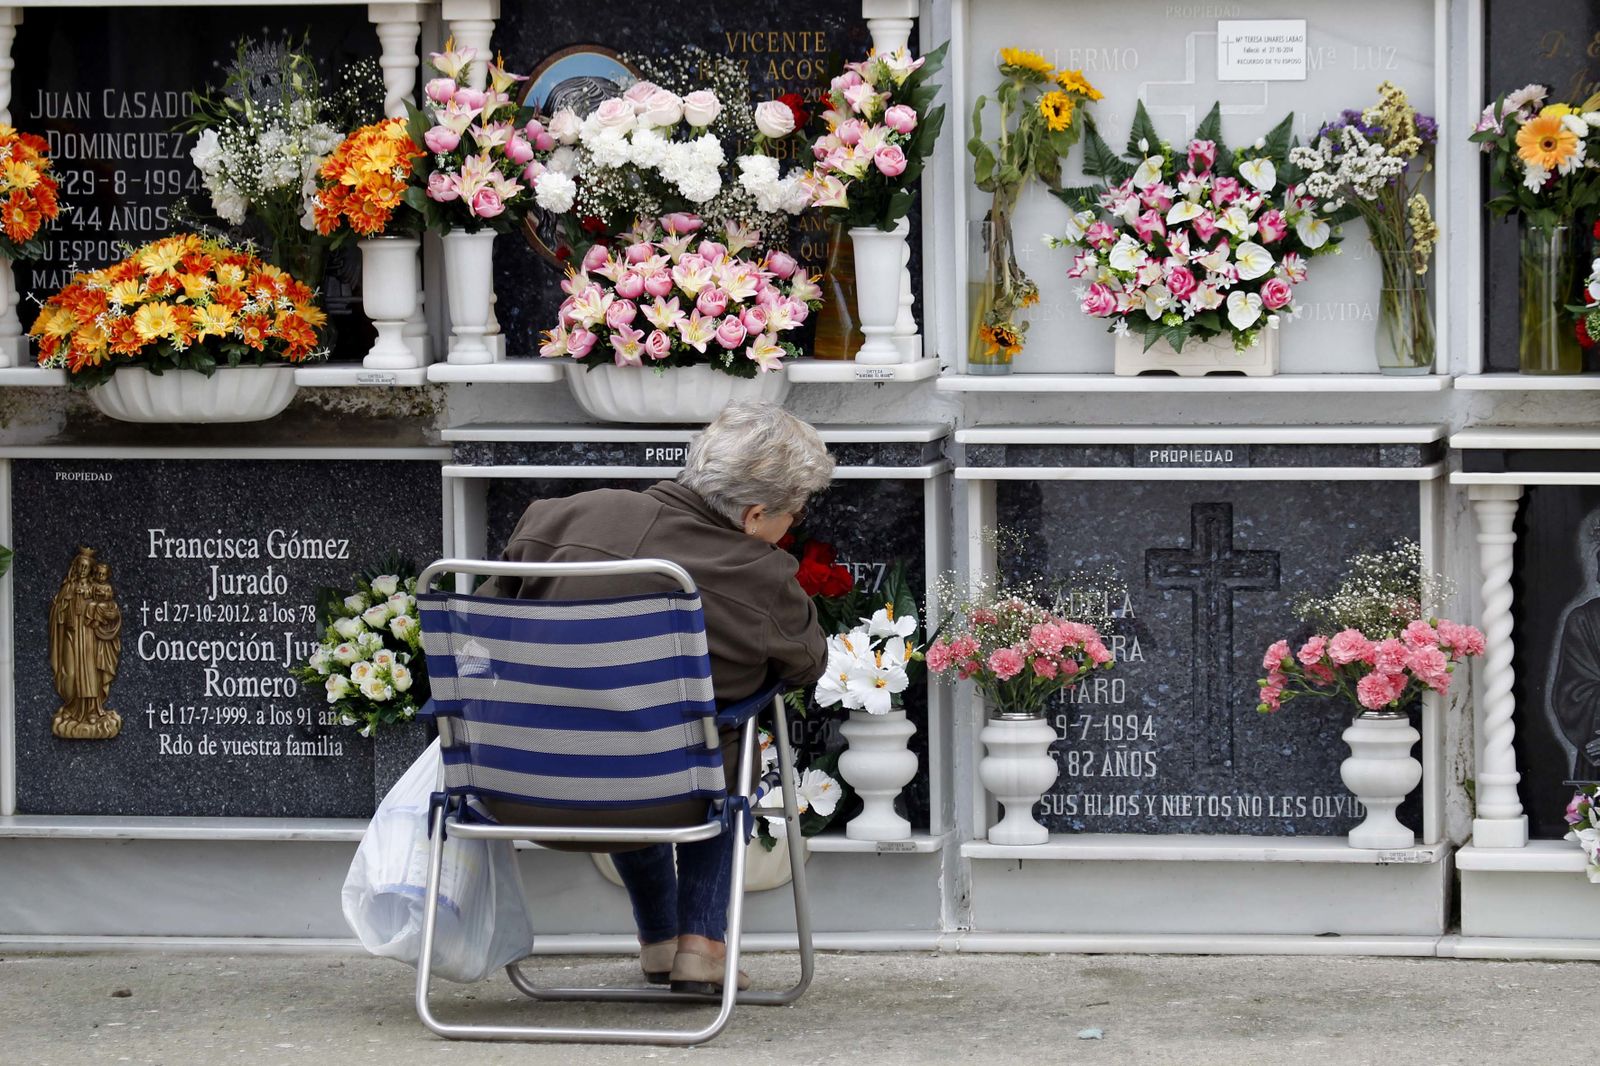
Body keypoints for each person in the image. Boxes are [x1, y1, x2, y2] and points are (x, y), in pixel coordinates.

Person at [487, 401, 832, 994]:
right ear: (754, 516)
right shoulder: (758, 570)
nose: (789, 529)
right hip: (666, 797)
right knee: (712, 741)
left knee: (618, 724)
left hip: (513, 788)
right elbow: (806, 663)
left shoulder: (559, 518)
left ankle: (659, 942)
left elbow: (488, 625)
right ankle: (701, 947)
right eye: (790, 516)